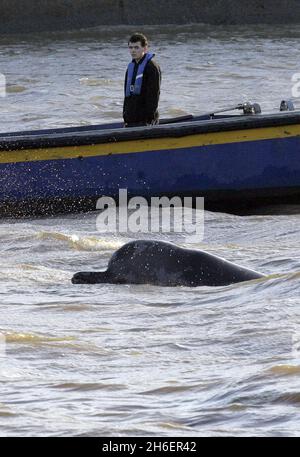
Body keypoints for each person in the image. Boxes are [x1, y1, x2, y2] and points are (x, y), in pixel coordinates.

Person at [123, 33, 161, 128]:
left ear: (145, 48)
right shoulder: (130, 67)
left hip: (146, 120)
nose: (133, 51)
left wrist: (150, 118)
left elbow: (154, 94)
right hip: (131, 118)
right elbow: (127, 94)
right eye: (130, 48)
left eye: (136, 47)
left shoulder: (152, 67)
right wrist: (125, 116)